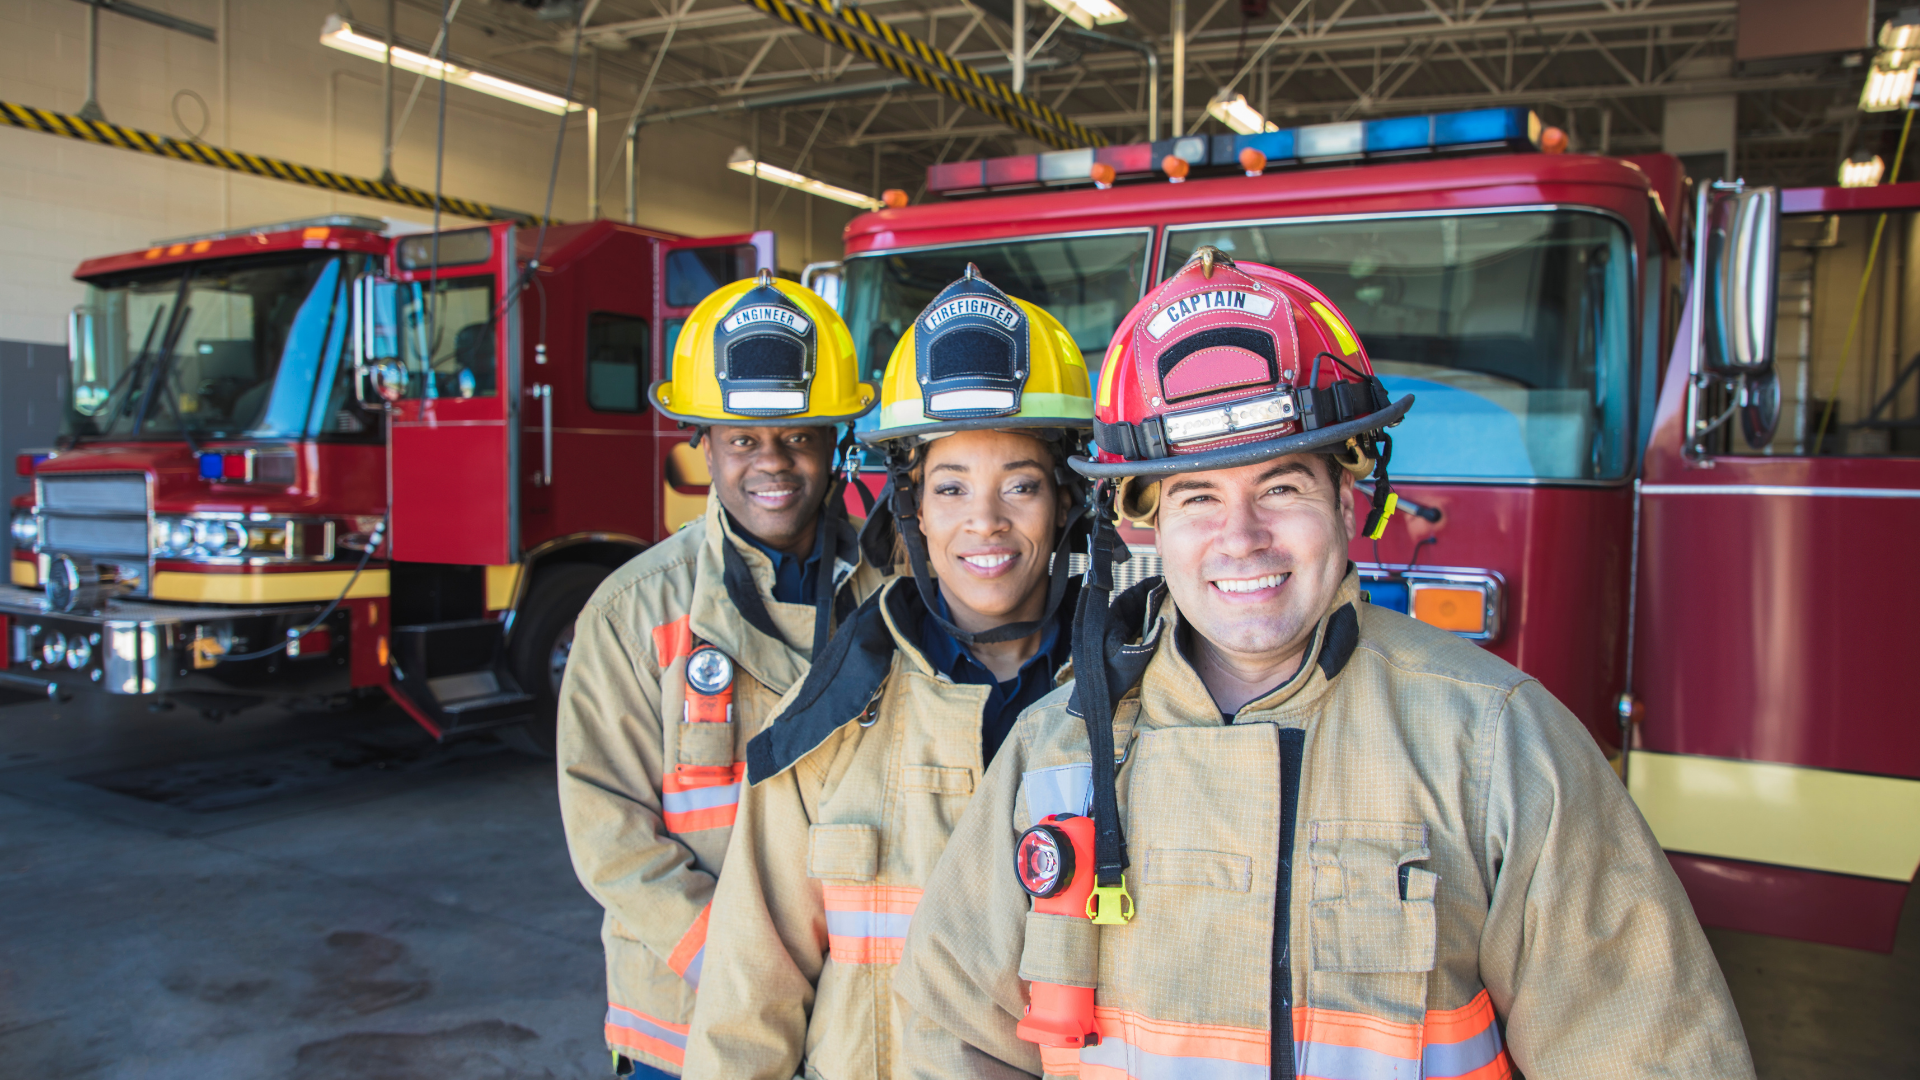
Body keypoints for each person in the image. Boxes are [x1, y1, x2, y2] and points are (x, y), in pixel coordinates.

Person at [892, 248, 1756, 1079]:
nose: (1242, 538)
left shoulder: (1497, 744)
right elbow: (950, 1035)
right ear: (1148, 526)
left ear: (1349, 501)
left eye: (1282, 487)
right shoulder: (1054, 753)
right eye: (1198, 496)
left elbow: (1648, 1052)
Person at [681, 266, 1095, 1079]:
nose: (985, 520)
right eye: (950, 488)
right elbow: (745, 1002)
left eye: (1021, 484)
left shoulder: (1137, 707)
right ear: (911, 510)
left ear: (1067, 503)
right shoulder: (829, 718)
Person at [557, 270, 886, 1079]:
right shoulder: (632, 612)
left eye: (798, 436)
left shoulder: (897, 593)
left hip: (860, 1013)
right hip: (688, 1018)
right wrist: (738, 965)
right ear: (701, 443)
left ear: (834, 442)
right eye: (742, 440)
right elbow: (608, 827)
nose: (771, 463)